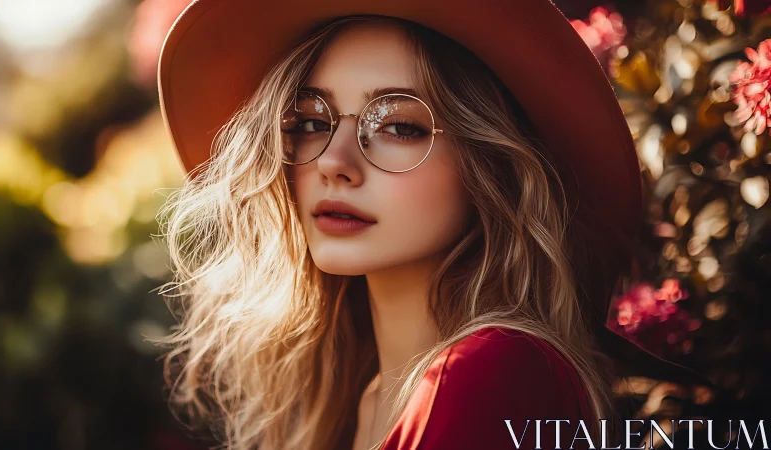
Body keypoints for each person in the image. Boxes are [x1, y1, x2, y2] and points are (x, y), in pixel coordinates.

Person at [155, 1, 715, 449]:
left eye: (399, 127)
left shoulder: (488, 373)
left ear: (489, 165)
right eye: (308, 120)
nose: (333, 161)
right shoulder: (363, 400)